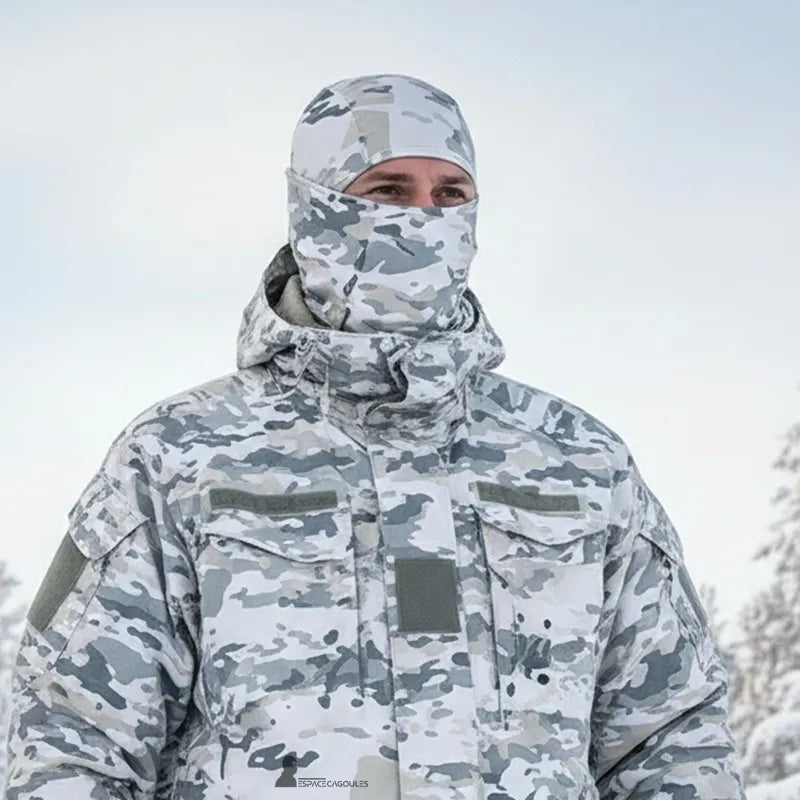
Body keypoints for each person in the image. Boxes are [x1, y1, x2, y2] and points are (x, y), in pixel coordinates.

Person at [4, 74, 745, 800]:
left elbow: (673, 738)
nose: (424, 217)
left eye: (449, 195)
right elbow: (70, 736)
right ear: (315, 211)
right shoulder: (180, 455)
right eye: (388, 191)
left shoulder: (580, 462)